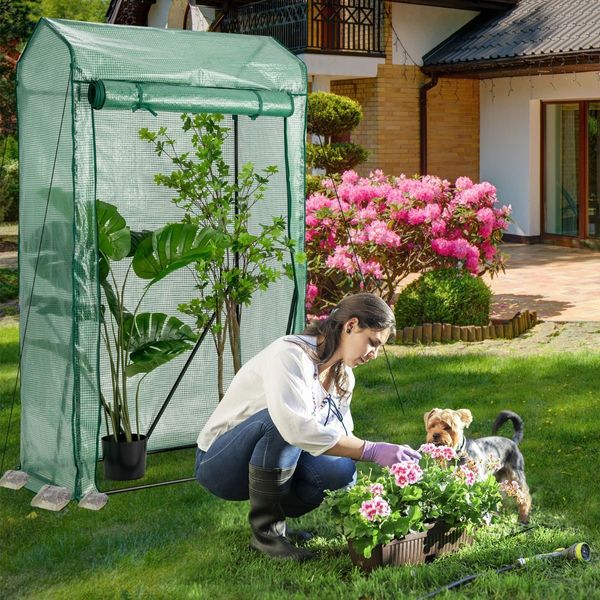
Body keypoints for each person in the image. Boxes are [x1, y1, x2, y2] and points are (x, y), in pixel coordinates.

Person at [195, 292, 421, 561]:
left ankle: (278, 524)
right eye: (372, 342)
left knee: (341, 468)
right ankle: (267, 535)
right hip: (220, 464)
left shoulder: (343, 377)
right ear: (350, 326)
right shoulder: (290, 354)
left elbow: (338, 438)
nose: (373, 354)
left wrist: (367, 505)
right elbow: (295, 427)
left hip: (266, 465)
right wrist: (371, 450)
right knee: (280, 423)